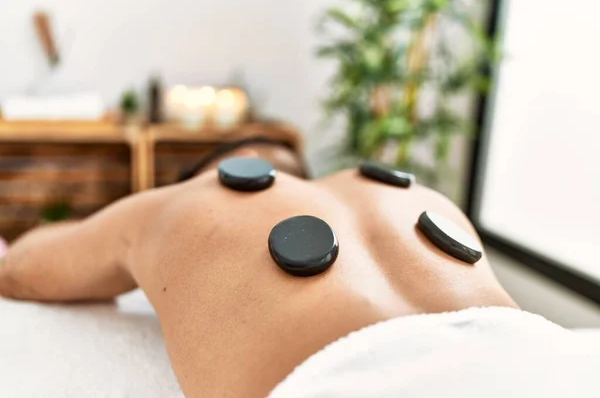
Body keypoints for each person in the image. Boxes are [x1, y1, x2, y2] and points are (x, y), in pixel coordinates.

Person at [0, 141, 525, 397]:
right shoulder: (410, 193)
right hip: (541, 363)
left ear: (224, 167)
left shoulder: (179, 203)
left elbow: (21, 269)